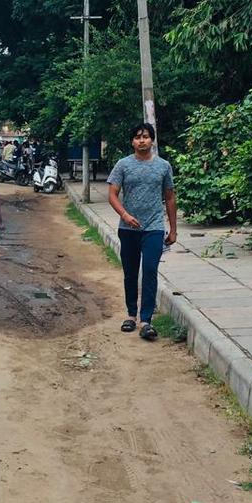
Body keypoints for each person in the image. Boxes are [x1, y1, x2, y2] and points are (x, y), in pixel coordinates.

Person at [107, 122, 177, 340]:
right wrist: (125, 216)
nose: (142, 140)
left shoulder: (164, 166)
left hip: (154, 227)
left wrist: (173, 229)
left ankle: (146, 320)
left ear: (152, 140)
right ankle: (131, 315)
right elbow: (112, 194)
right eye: (137, 137)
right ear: (132, 141)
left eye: (145, 136)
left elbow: (170, 197)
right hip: (128, 229)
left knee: (149, 270)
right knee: (130, 272)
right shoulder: (123, 165)